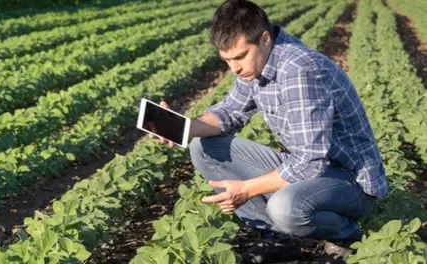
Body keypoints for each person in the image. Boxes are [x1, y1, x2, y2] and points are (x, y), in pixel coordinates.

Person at [154, 0, 389, 262]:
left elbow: (310, 163)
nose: (234, 68)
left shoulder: (299, 72)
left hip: (350, 182)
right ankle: (279, 239)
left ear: (264, 38)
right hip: (310, 169)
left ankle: (345, 238)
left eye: (240, 56)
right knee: (204, 147)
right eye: (227, 59)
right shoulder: (257, 65)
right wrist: (182, 126)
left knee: (285, 207)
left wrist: (246, 189)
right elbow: (231, 112)